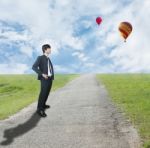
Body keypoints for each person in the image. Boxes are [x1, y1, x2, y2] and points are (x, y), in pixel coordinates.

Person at [32, 44, 54, 117]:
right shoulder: (40, 58)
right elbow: (34, 67)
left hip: (50, 78)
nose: (50, 50)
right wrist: (42, 74)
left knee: (47, 93)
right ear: (45, 50)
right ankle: (39, 109)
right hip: (44, 79)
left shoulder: (48, 58)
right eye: (49, 48)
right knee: (43, 93)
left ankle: (43, 105)